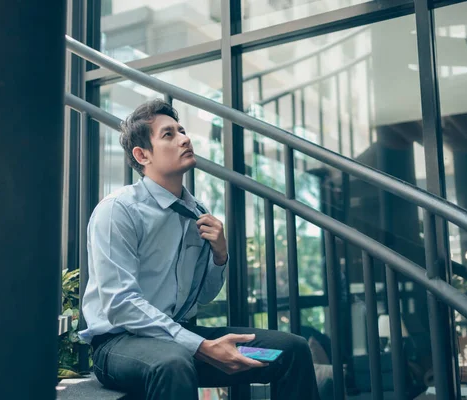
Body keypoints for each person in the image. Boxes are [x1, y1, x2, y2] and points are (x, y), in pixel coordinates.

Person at [79, 99, 321, 400]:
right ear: (142, 155)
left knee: (288, 352)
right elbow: (120, 303)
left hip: (182, 340)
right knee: (172, 363)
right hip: (120, 347)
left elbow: (203, 295)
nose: (184, 138)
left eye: (182, 130)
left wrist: (220, 255)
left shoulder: (197, 213)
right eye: (169, 134)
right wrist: (202, 347)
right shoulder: (118, 211)